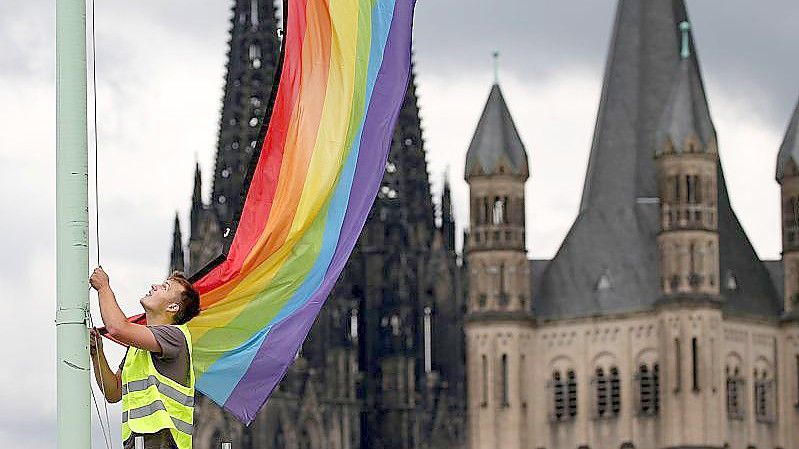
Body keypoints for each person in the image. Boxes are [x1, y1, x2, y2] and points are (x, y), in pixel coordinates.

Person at [89, 266, 201, 449]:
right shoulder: (137, 346)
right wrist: (97, 353)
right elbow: (113, 391)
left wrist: (103, 288)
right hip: (138, 442)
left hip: (164, 441)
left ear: (173, 307)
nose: (155, 286)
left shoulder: (175, 336)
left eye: (165, 287)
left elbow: (117, 328)